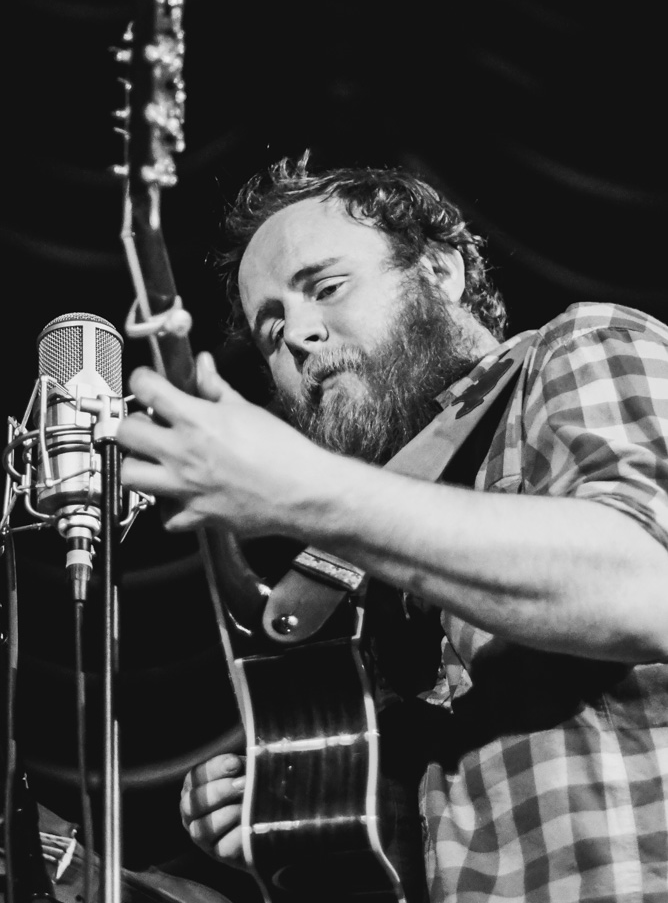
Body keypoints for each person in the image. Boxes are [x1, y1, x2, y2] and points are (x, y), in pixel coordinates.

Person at [117, 153, 668, 903]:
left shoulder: (575, 346)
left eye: (326, 288)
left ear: (440, 272)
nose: (299, 335)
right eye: (270, 329)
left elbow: (647, 583)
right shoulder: (357, 567)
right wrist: (308, 821)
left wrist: (311, 491)